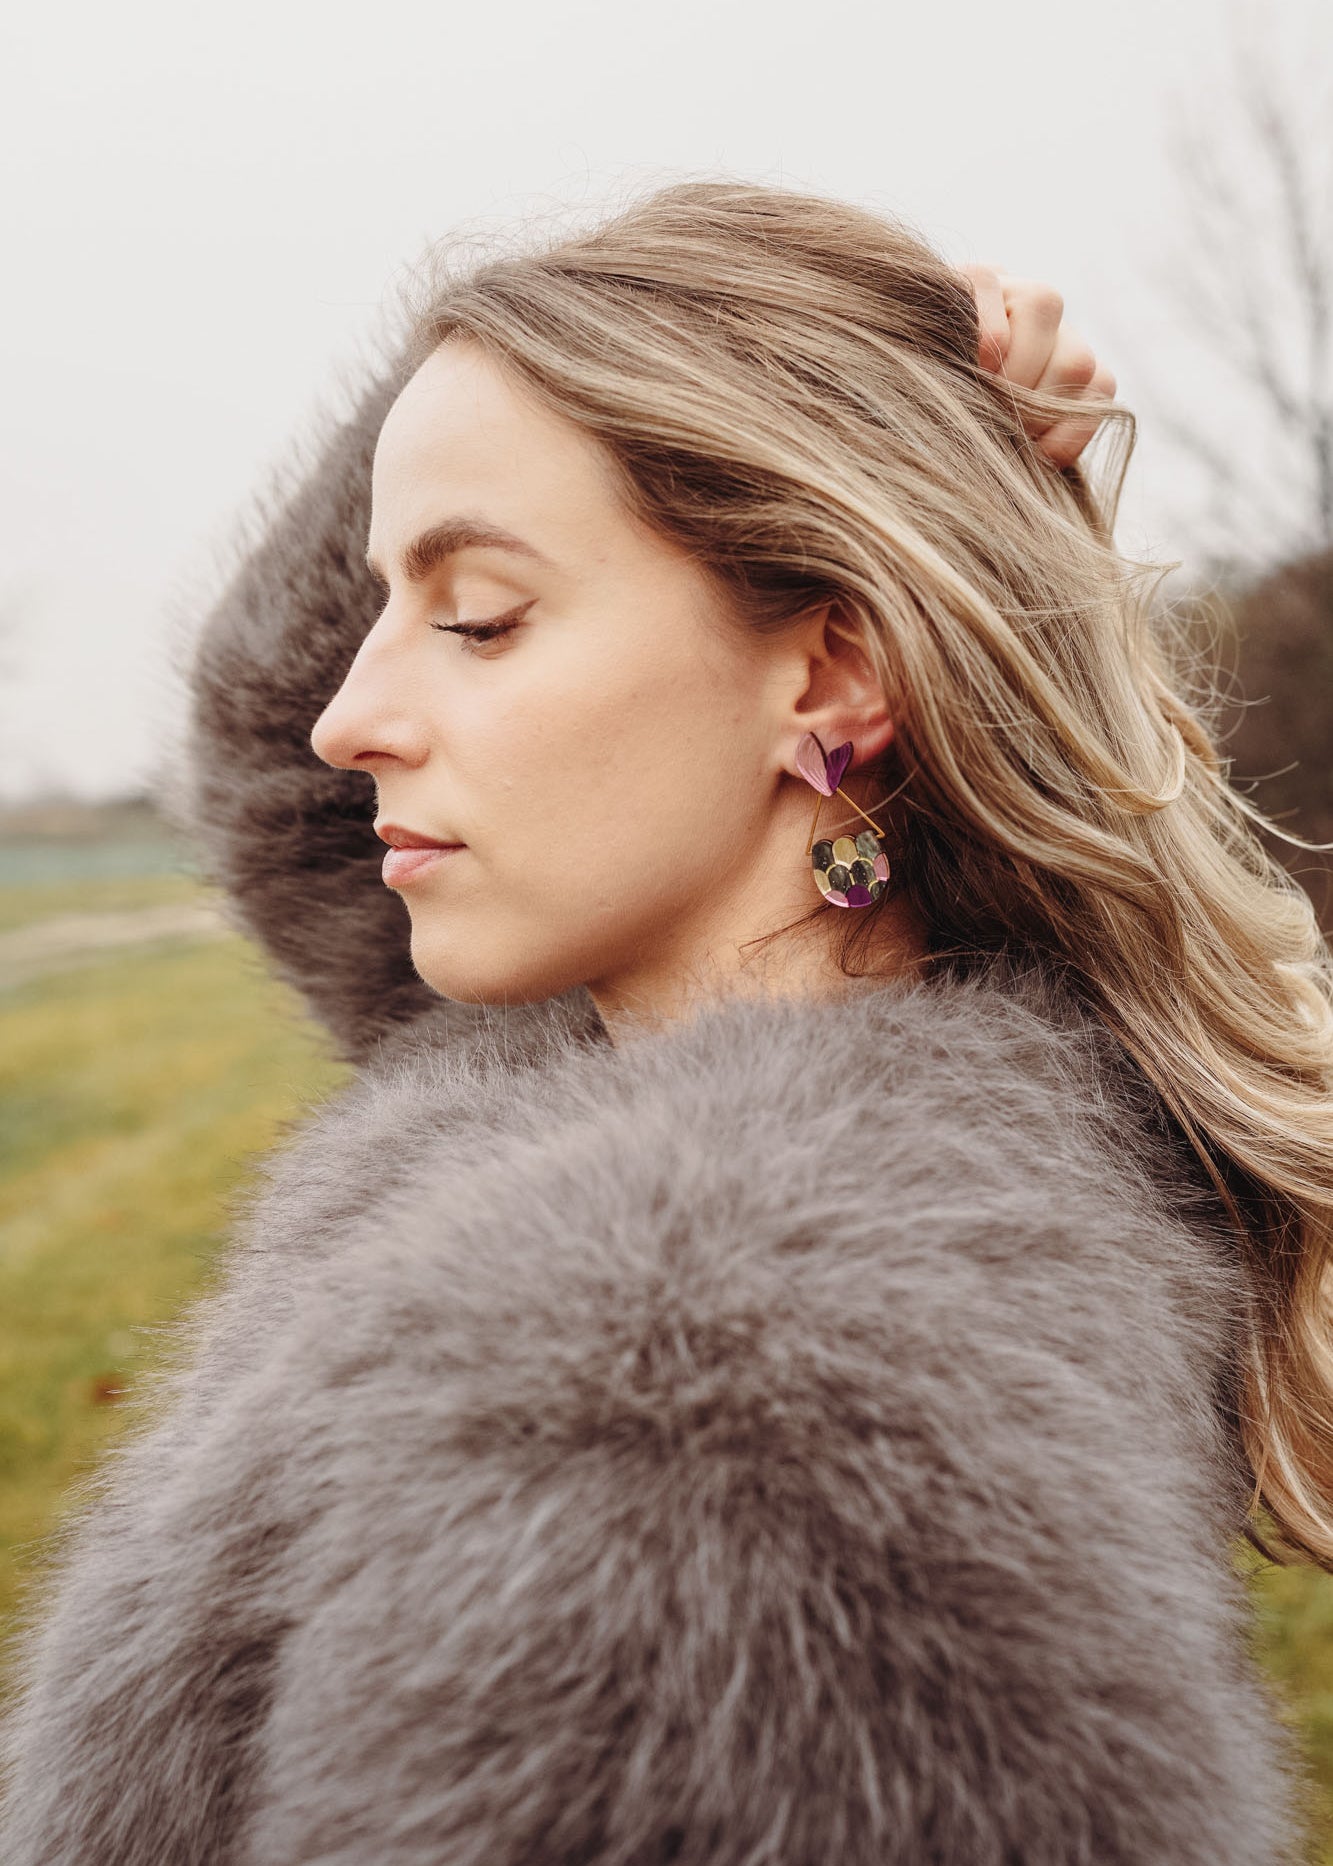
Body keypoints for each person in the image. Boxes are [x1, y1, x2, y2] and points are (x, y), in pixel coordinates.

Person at [0, 179, 1327, 1864]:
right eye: (384, 603)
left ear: (831, 676)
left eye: (476, 617)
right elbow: (284, 773)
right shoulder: (932, 1090)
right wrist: (860, 392)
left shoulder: (706, 1407)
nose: (347, 713)